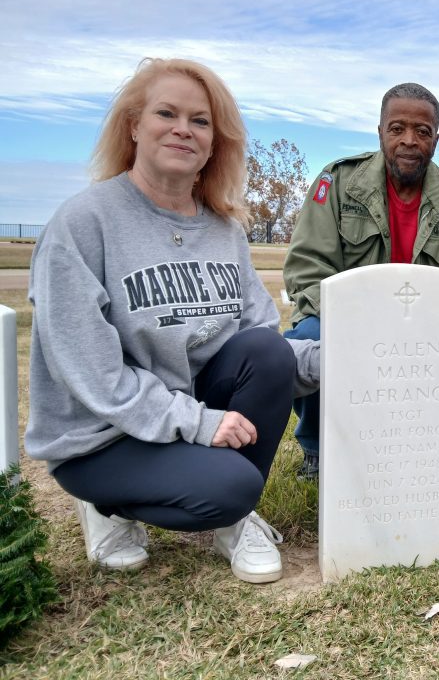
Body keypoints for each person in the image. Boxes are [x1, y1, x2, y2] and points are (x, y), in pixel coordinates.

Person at [25, 58, 320, 584]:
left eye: (200, 120)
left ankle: (232, 523)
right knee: (233, 486)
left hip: (181, 413)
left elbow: (262, 348)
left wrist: (345, 357)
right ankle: (106, 506)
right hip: (104, 437)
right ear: (134, 125)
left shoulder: (225, 231)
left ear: (214, 142)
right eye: (167, 113)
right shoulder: (82, 224)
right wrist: (202, 423)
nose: (183, 129)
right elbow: (96, 378)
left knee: (267, 351)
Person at [283, 83, 439, 477]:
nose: (409, 141)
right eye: (397, 128)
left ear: (436, 138)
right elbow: (307, 268)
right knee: (307, 340)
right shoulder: (338, 184)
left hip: (425, 333)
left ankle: (430, 447)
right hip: (347, 324)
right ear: (380, 131)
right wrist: (358, 325)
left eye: (422, 131)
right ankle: (317, 449)